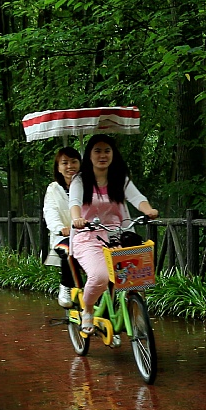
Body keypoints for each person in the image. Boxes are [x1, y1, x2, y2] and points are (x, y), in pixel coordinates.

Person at [69, 133, 158, 334]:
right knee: (100, 276)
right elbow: (74, 202)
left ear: (113, 154)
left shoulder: (120, 179)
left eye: (107, 151)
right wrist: (77, 218)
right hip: (88, 236)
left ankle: (136, 315)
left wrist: (148, 210)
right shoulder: (80, 180)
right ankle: (88, 309)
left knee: (137, 277)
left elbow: (138, 198)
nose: (103, 155)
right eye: (97, 151)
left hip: (118, 236)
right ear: (89, 155)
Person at [42, 147, 84, 307]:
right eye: (65, 163)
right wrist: (60, 228)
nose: (70, 166)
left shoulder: (88, 186)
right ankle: (66, 285)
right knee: (69, 250)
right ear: (58, 168)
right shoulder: (54, 189)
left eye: (74, 161)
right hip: (65, 236)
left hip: (89, 233)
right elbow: (50, 212)